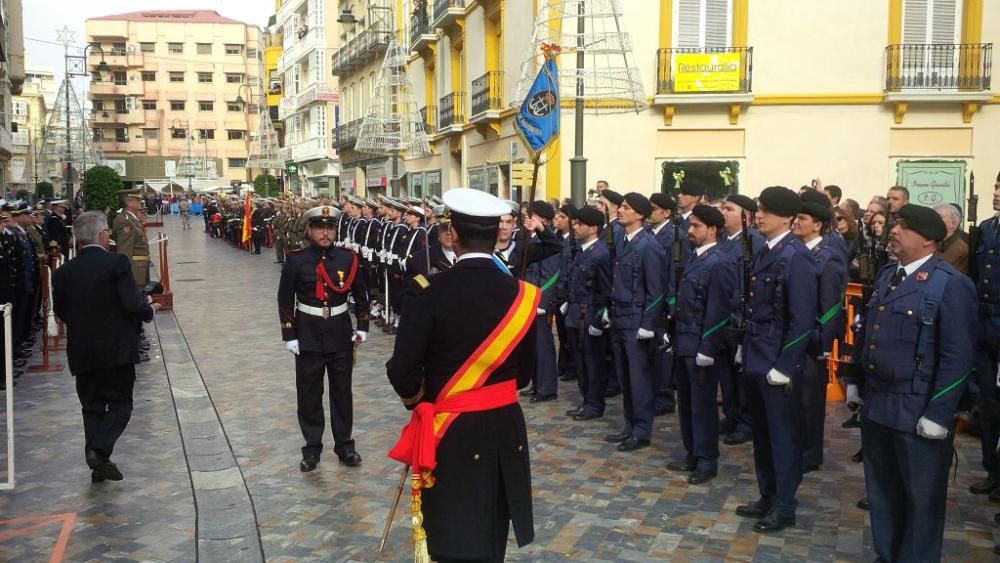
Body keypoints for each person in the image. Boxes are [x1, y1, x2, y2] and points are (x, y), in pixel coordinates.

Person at [386, 188, 538, 563]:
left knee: (450, 527)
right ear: (496, 233)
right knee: (491, 526)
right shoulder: (524, 295)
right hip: (504, 425)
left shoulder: (428, 291)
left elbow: (402, 370)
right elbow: (525, 376)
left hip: (449, 427)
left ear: (451, 234)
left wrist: (421, 403)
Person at [844, 204, 976, 562]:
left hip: (918, 407)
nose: (893, 231)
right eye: (895, 225)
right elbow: (868, 330)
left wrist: (940, 412)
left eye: (904, 226)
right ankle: (888, 554)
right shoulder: (889, 275)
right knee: (884, 491)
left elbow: (958, 356)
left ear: (929, 239)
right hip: (880, 403)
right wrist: (855, 380)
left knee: (921, 499)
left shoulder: (951, 284)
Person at [52, 211, 160, 483]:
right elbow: (132, 303)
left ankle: (98, 463)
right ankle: (99, 452)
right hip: (115, 350)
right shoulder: (117, 263)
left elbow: (62, 311)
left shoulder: (63, 272)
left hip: (82, 350)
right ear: (102, 236)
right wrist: (149, 311)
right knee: (121, 404)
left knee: (92, 406)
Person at [736, 186, 817, 534]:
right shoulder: (766, 250)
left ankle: (785, 504)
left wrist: (785, 365)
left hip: (776, 360)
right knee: (763, 434)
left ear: (787, 217)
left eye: (767, 211)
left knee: (783, 437)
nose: (759, 215)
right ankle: (768, 495)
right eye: (759, 209)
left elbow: (802, 319)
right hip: (757, 352)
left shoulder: (795, 256)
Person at [277, 204, 370, 472]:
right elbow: (285, 299)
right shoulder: (296, 259)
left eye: (329, 228)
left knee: (342, 393)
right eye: (319, 227)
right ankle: (312, 448)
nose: (325, 233)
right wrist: (289, 333)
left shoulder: (347, 258)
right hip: (308, 333)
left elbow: (361, 295)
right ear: (309, 230)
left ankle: (345, 446)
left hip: (340, 333)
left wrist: (362, 325)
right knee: (309, 394)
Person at [665, 205, 737, 485]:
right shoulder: (695, 259)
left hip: (701, 345)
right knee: (685, 402)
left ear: (712, 229)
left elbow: (719, 310)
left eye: (696, 226)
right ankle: (692, 452)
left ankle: (707, 459)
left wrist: (707, 347)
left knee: (702, 404)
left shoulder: (719, 262)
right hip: (684, 340)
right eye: (690, 226)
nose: (690, 231)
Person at [605, 193, 668, 452]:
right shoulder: (624, 241)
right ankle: (630, 424)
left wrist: (648, 323)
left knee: (639, 378)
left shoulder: (648, 246)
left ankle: (641, 429)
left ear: (640, 215)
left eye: (626, 208)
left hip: (635, 320)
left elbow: (657, 290)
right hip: (620, 317)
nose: (620, 211)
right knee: (625, 377)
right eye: (620, 207)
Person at [793, 195, 847, 473]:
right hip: (796, 335)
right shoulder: (798, 251)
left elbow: (831, 305)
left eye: (802, 219)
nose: (796, 222)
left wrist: (824, 342)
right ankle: (797, 447)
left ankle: (810, 454)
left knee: (809, 400)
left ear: (818, 225)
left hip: (813, 338)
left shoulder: (828, 256)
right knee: (795, 398)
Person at [717, 194, 764, 446]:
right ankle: (731, 414)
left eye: (729, 209)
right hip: (723, 316)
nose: (723, 212)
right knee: (726, 373)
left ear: (746, 216)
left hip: (741, 316)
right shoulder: (724, 241)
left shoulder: (753, 242)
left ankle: (746, 421)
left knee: (741, 374)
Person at [562, 206, 611, 421]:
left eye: (580, 224)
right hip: (576, 312)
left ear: (594, 228)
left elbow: (605, 289)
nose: (575, 226)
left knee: (592, 362)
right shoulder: (581, 251)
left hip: (589, 314)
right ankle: (586, 400)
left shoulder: (600, 253)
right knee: (581, 361)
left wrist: (600, 317)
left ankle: (594, 403)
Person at [970, 174, 1000, 505]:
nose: (996, 193)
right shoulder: (989, 227)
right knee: (988, 402)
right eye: (996, 187)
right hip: (985, 320)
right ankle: (993, 470)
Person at [111, 189, 151, 287]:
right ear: (129, 202)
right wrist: (126, 277)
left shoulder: (131, 219)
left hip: (139, 269)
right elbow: (125, 251)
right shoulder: (125, 220)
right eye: (137, 199)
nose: (140, 201)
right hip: (134, 273)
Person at [934, 203, 969, 274]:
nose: (933, 220)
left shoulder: (961, 249)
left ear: (953, 223)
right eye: (932, 217)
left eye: (939, 217)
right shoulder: (929, 244)